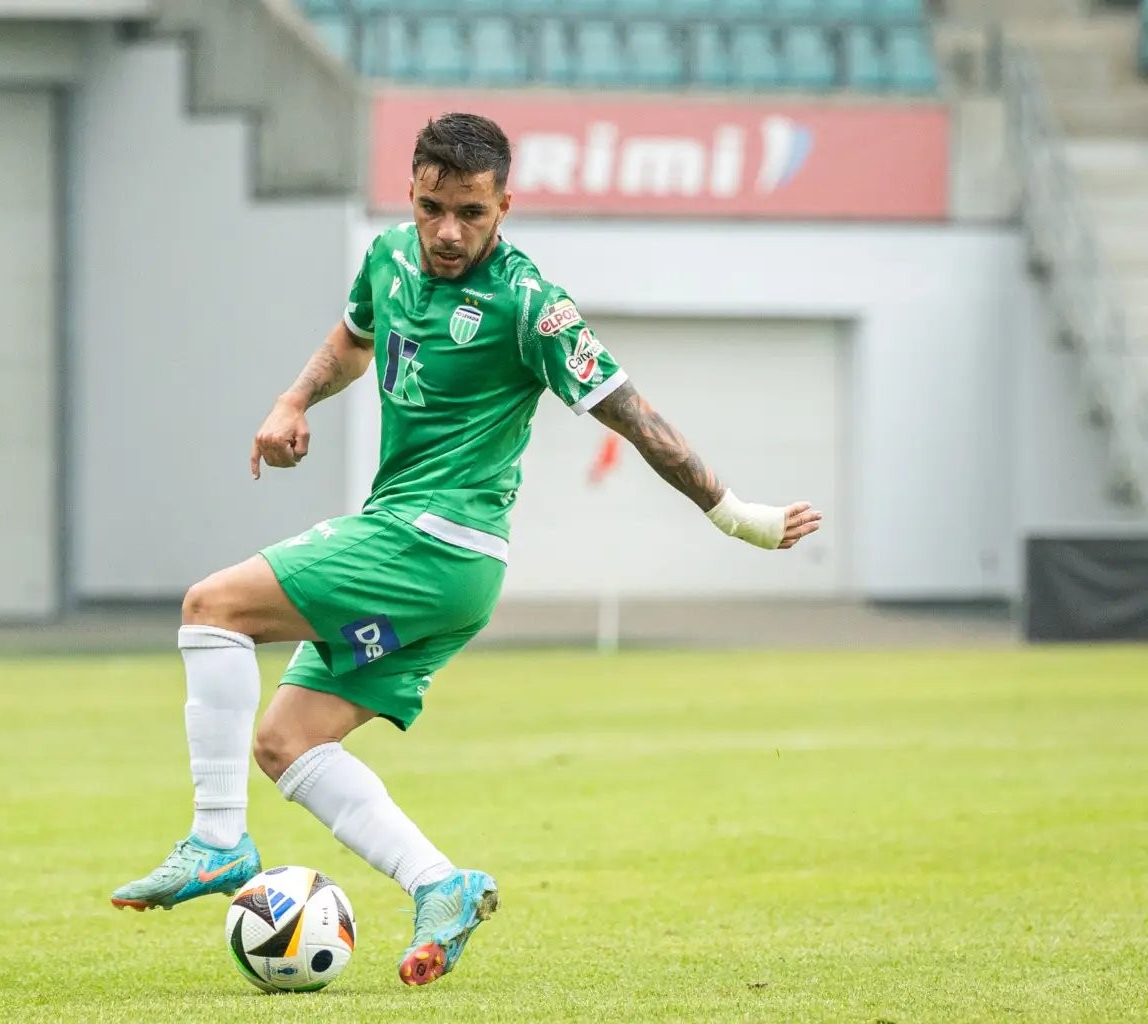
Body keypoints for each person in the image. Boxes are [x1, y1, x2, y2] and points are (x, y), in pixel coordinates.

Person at [110, 112, 823, 987]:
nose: (448, 232)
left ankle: (218, 840)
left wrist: (739, 516)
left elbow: (638, 419)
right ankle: (440, 886)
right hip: (422, 557)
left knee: (211, 608)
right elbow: (353, 341)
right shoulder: (387, 258)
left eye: (472, 213)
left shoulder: (531, 305)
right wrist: (293, 402)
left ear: (504, 207)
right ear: (411, 193)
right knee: (288, 742)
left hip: (435, 545)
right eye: (432, 208)